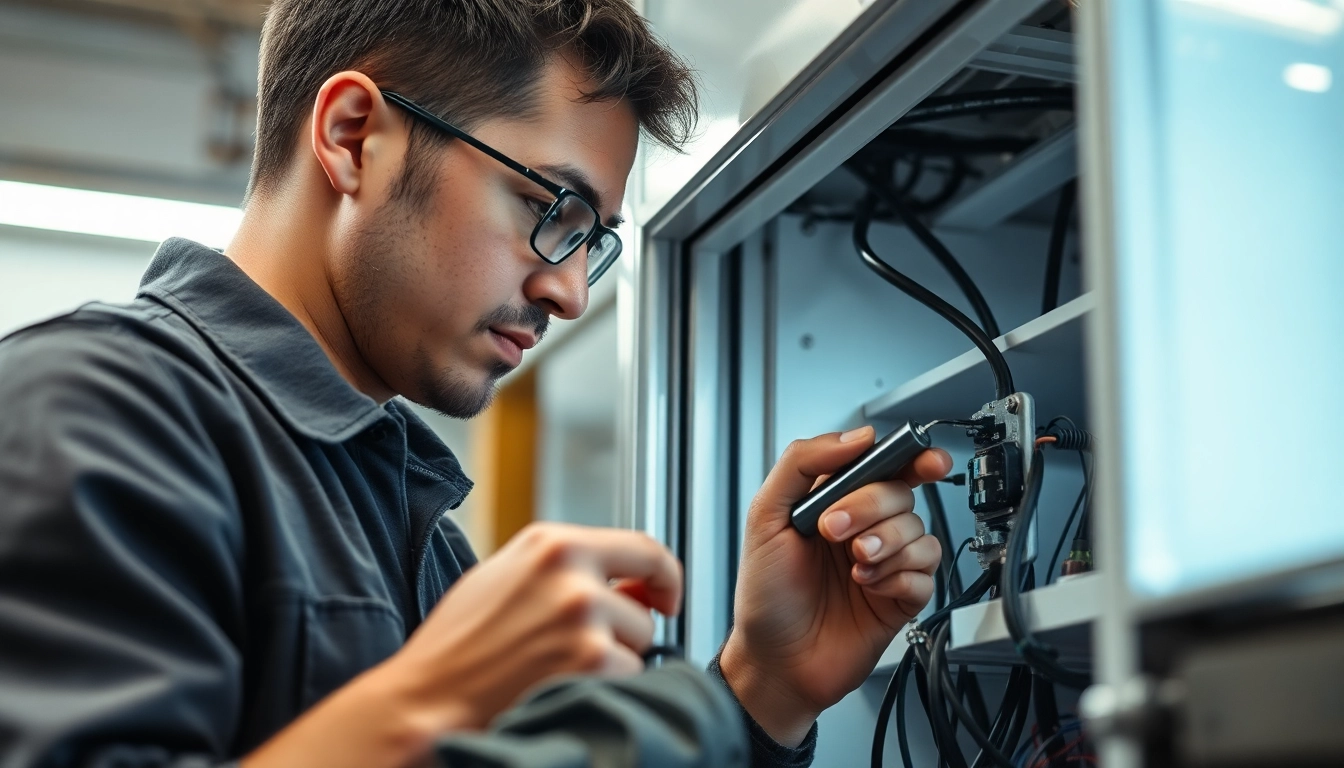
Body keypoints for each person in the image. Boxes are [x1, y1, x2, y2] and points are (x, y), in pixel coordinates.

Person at [0, 1, 951, 766]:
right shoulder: (88, 410)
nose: (570, 292)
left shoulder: (417, 530)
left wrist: (764, 688)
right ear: (352, 134)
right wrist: (431, 698)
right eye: (548, 208)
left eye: (593, 241)